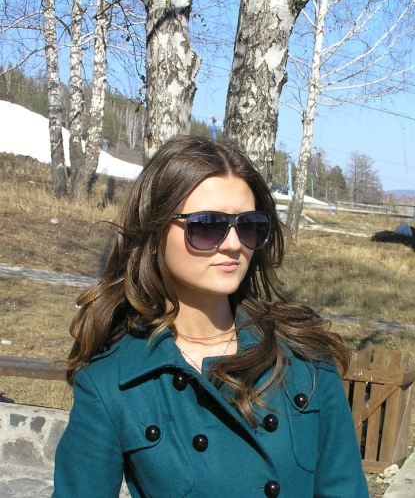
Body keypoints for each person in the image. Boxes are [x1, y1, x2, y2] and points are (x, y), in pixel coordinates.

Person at [53, 135, 369, 498]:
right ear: (154, 231)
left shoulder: (304, 355)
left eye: (249, 225)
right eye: (207, 225)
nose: (234, 244)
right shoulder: (114, 381)